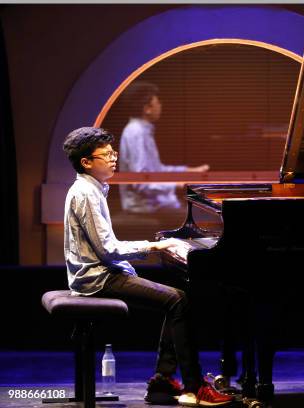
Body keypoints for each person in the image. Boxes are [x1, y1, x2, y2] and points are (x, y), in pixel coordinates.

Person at [62, 126, 232, 407]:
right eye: (106, 155)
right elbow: (108, 250)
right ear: (86, 162)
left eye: (113, 152)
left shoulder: (91, 189)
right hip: (97, 279)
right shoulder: (85, 194)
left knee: (176, 298)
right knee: (178, 300)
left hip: (100, 273)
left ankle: (163, 382)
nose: (114, 158)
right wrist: (153, 246)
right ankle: (194, 388)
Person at [118, 81, 209, 213]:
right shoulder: (136, 132)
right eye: (157, 102)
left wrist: (189, 171)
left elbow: (157, 170)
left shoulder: (142, 130)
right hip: (145, 206)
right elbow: (141, 182)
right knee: (205, 215)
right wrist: (177, 184)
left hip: (156, 203)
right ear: (147, 108)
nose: (160, 105)